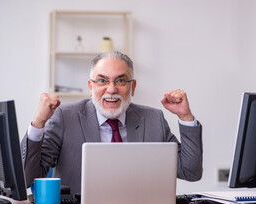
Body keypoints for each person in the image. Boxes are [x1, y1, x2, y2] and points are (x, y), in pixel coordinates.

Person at [22, 51, 203, 195]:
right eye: (102, 80)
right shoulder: (65, 117)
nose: (111, 89)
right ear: (91, 86)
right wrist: (39, 123)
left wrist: (185, 117)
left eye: (121, 81)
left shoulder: (153, 119)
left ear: (132, 87)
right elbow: (27, 177)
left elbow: (190, 172)